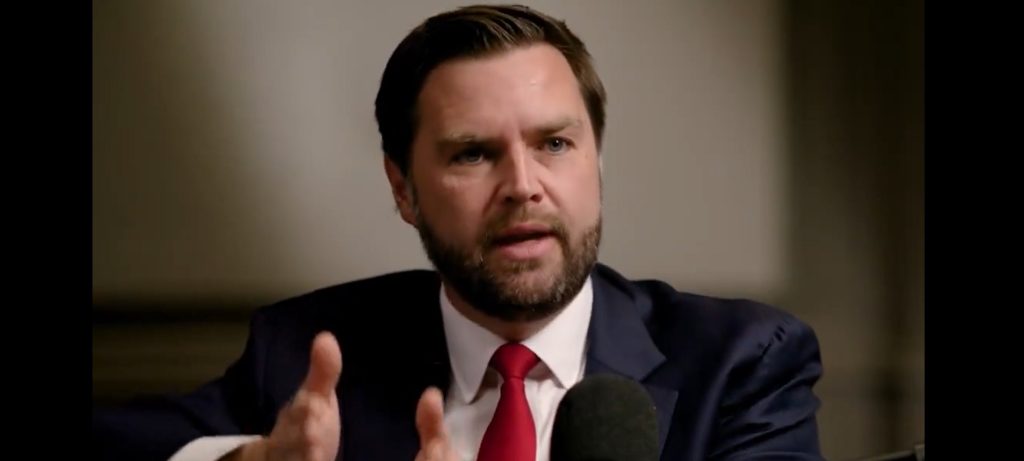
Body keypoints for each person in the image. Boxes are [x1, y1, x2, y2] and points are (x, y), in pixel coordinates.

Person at [93, 4, 824, 461]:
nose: (523, 184)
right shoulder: (308, 355)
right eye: (473, 154)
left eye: (555, 144)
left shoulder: (739, 363)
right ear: (403, 189)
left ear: (597, 162)